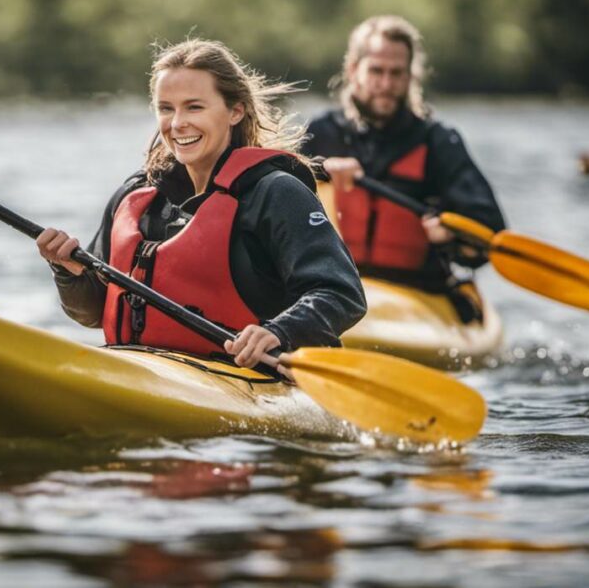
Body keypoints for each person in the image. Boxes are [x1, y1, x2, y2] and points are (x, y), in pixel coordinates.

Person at [37, 39, 367, 378]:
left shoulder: (276, 193)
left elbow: (342, 293)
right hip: (149, 369)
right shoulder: (137, 196)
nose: (178, 123)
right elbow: (93, 312)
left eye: (194, 107)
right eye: (166, 108)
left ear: (235, 111)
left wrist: (278, 332)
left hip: (251, 379)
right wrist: (68, 273)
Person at [302, 16, 505, 321]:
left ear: (411, 76)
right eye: (376, 71)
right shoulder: (321, 133)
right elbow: (268, 189)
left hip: (418, 296)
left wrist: (449, 238)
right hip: (331, 287)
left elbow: (489, 234)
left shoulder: (438, 142)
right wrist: (318, 168)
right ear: (353, 70)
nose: (386, 84)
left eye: (397, 73)